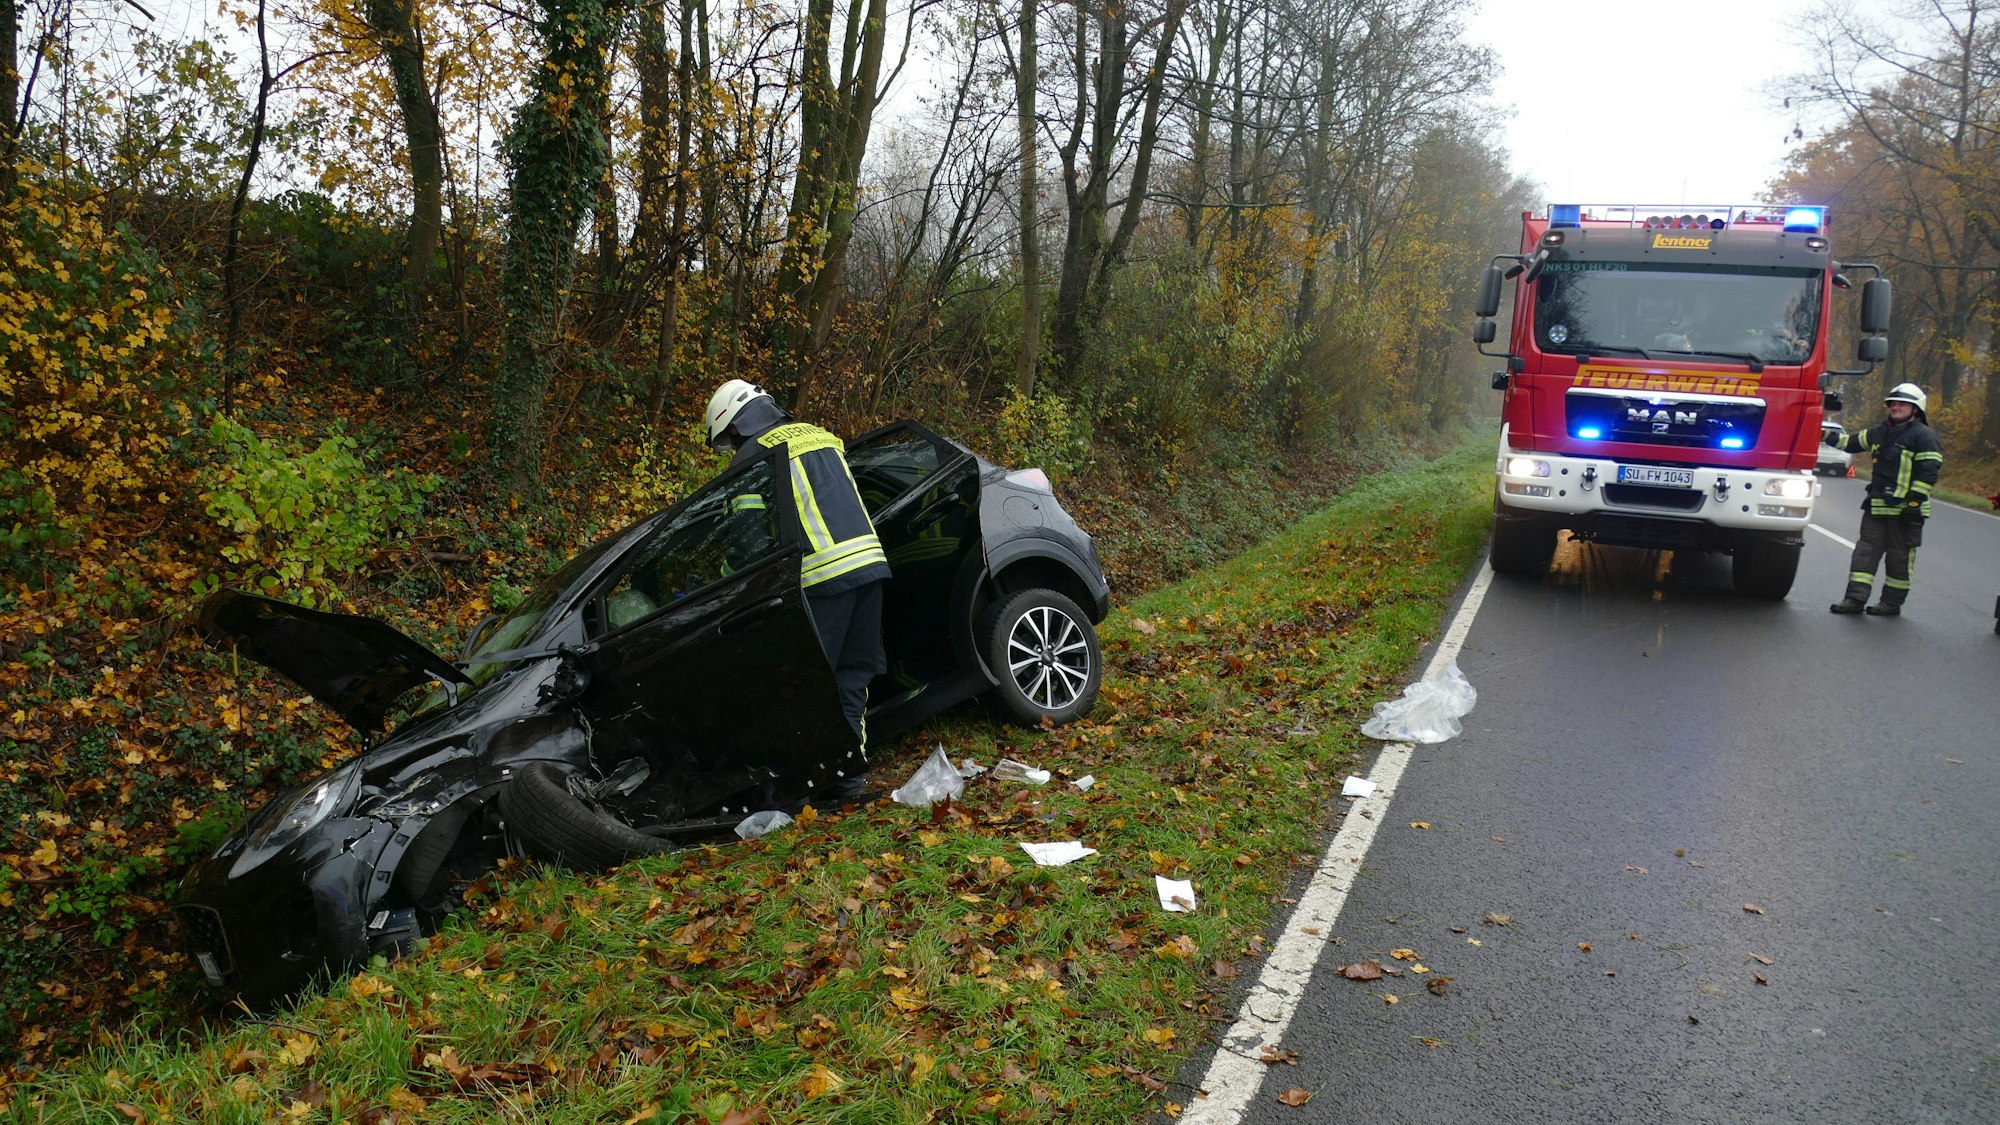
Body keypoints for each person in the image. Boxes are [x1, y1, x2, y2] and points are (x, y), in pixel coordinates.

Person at [705, 379, 889, 799]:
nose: (731, 450)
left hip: (822, 578)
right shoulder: (821, 436)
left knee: (805, 688)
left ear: (733, 427)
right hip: (870, 566)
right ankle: (849, 782)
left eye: (727, 442)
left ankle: (799, 790)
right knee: (851, 678)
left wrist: (724, 578)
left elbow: (748, 539)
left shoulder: (753, 457)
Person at [1825, 383, 1944, 616]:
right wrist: (1824, 435)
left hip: (1906, 511)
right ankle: (1854, 600)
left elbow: (1928, 472)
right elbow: (1849, 443)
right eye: (1893, 403)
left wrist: (1913, 503)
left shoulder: (1925, 436)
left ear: (1916, 408)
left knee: (1899, 558)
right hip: (1877, 506)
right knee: (1864, 554)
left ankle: (1891, 603)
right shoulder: (1880, 432)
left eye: (1902, 404)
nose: (1896, 407)